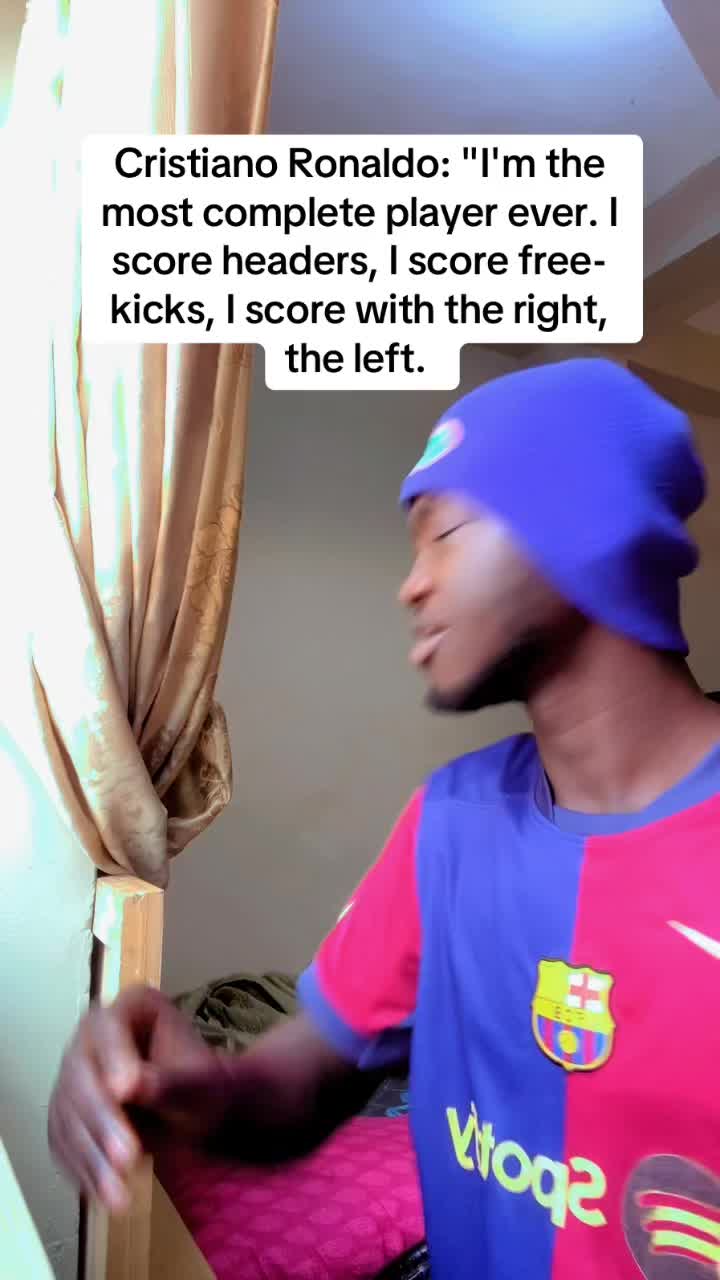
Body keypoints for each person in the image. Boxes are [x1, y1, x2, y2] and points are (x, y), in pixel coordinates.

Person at [49, 358, 720, 1279]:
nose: (411, 585)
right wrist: (187, 1087)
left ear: (583, 528)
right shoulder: (451, 819)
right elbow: (303, 1084)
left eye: (443, 532)